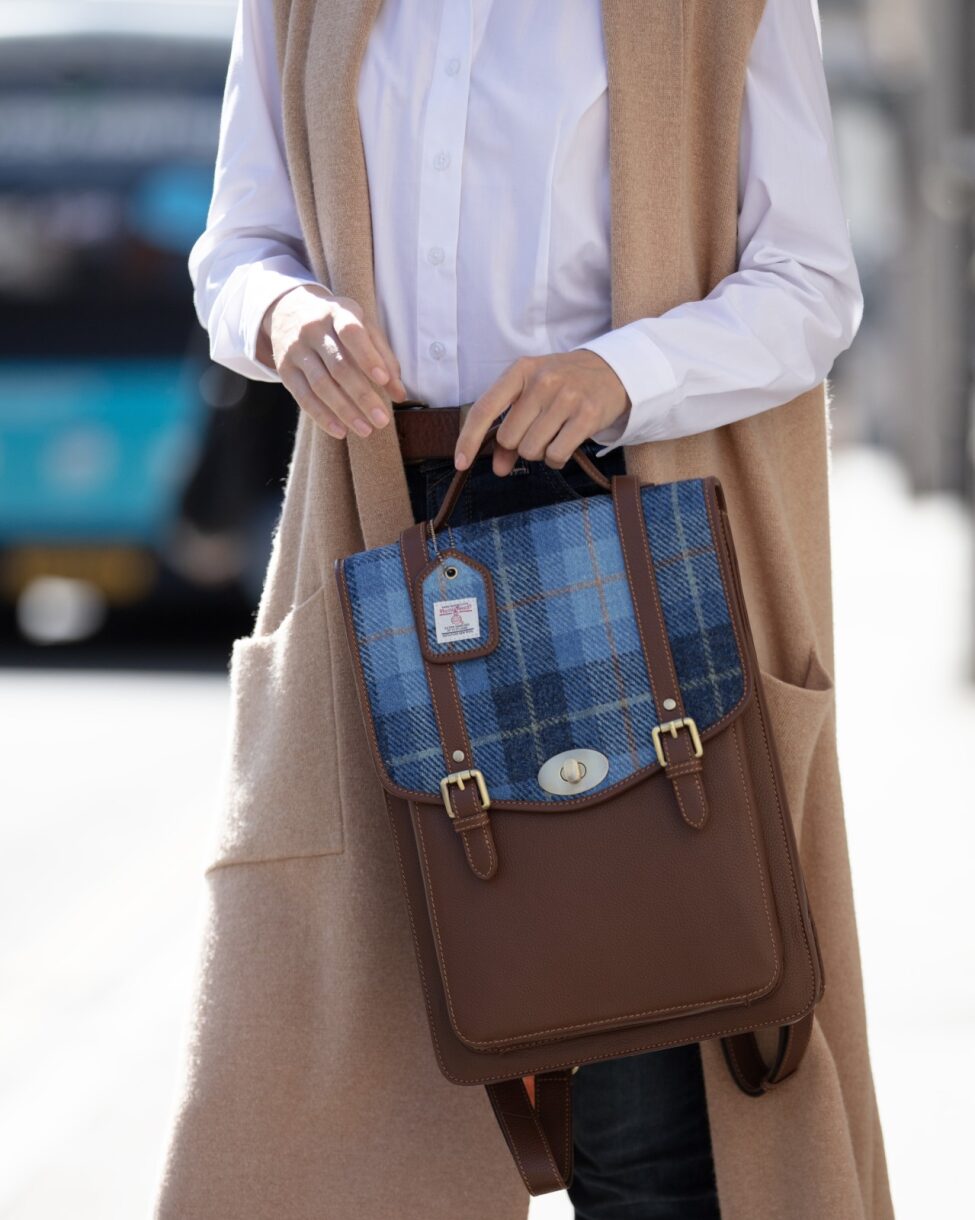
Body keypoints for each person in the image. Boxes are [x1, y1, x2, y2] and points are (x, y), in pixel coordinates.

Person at [155, 3, 893, 1218]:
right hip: (386, 543)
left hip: (627, 557)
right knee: (335, 1130)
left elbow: (811, 286)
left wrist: (620, 373)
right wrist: (285, 318)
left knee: (651, 1133)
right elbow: (239, 244)